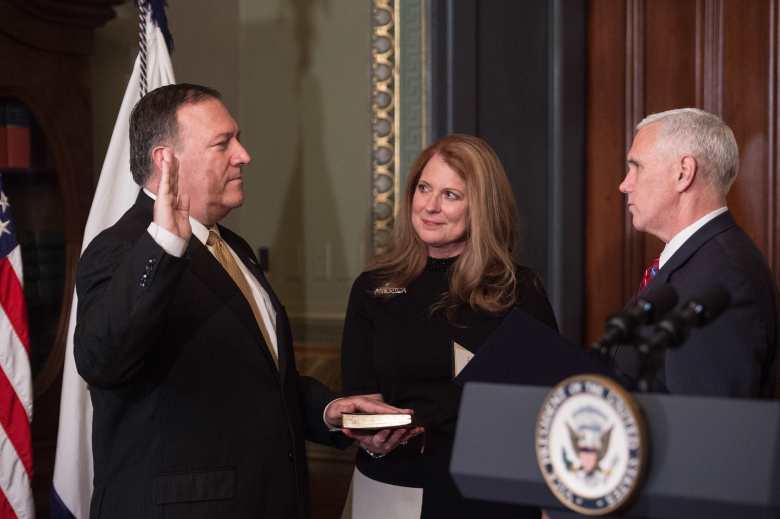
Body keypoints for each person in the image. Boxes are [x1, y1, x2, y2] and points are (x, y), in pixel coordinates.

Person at [74, 83, 414, 519]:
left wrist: (329, 411)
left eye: (237, 138)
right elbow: (102, 359)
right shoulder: (120, 249)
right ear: (166, 161)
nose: (243, 155)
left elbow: (252, 379)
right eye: (223, 143)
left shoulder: (233, 246)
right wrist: (163, 246)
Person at [340, 134, 558, 519]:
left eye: (451, 195)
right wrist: (372, 438)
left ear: (482, 208)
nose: (430, 206)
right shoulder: (372, 288)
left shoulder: (518, 290)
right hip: (391, 487)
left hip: (486, 495)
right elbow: (359, 397)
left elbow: (546, 408)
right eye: (424, 188)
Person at [615, 108, 777, 396]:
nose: (624, 185)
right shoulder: (705, 261)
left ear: (683, 173)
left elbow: (704, 424)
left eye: (636, 167)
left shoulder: (721, 279)